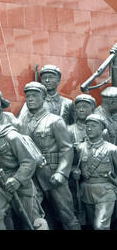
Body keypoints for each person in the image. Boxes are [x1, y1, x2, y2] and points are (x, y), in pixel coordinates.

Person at [0, 100, 45, 230]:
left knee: (33, 219)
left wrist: (17, 179)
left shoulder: (12, 136)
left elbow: (28, 161)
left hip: (19, 180)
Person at [19, 82, 80, 230]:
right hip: (31, 174)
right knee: (36, 215)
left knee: (66, 214)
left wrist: (61, 173)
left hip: (52, 172)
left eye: (34, 96)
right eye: (28, 96)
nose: (30, 99)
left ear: (44, 98)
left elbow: (67, 148)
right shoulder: (22, 121)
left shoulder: (55, 120)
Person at [72, 114, 117, 230]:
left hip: (106, 191)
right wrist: (75, 172)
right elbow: (74, 166)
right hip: (86, 191)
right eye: (87, 126)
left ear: (103, 130)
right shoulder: (80, 148)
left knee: (100, 226)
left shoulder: (112, 149)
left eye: (94, 126)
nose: (89, 128)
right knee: (92, 225)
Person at [67, 94, 96, 223]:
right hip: (75, 177)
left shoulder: (100, 129)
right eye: (78, 107)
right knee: (77, 206)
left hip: (95, 176)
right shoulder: (68, 130)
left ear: (93, 109)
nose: (82, 110)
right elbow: (65, 153)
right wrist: (73, 168)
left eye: (85, 107)